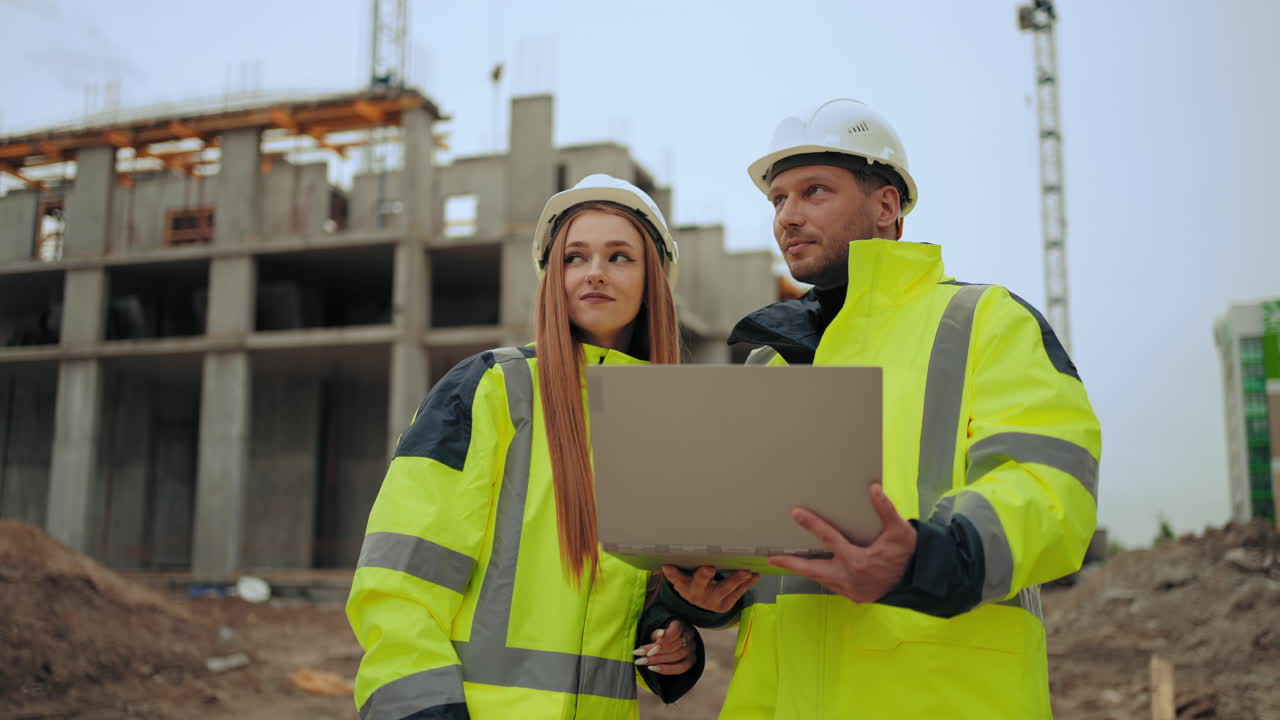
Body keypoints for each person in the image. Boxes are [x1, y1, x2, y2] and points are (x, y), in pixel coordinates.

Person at [656, 99, 1102, 718]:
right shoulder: (771, 366)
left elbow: (1052, 487)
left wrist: (926, 557)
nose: (788, 216)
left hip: (939, 698)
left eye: (814, 191)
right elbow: (768, 564)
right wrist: (714, 594)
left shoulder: (983, 322)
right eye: (778, 200)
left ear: (886, 206)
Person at [348, 174, 727, 719]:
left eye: (619, 257)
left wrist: (671, 642)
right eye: (575, 257)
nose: (594, 272)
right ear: (552, 276)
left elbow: (626, 603)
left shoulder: (667, 425)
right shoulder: (488, 389)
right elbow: (397, 584)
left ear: (653, 281)